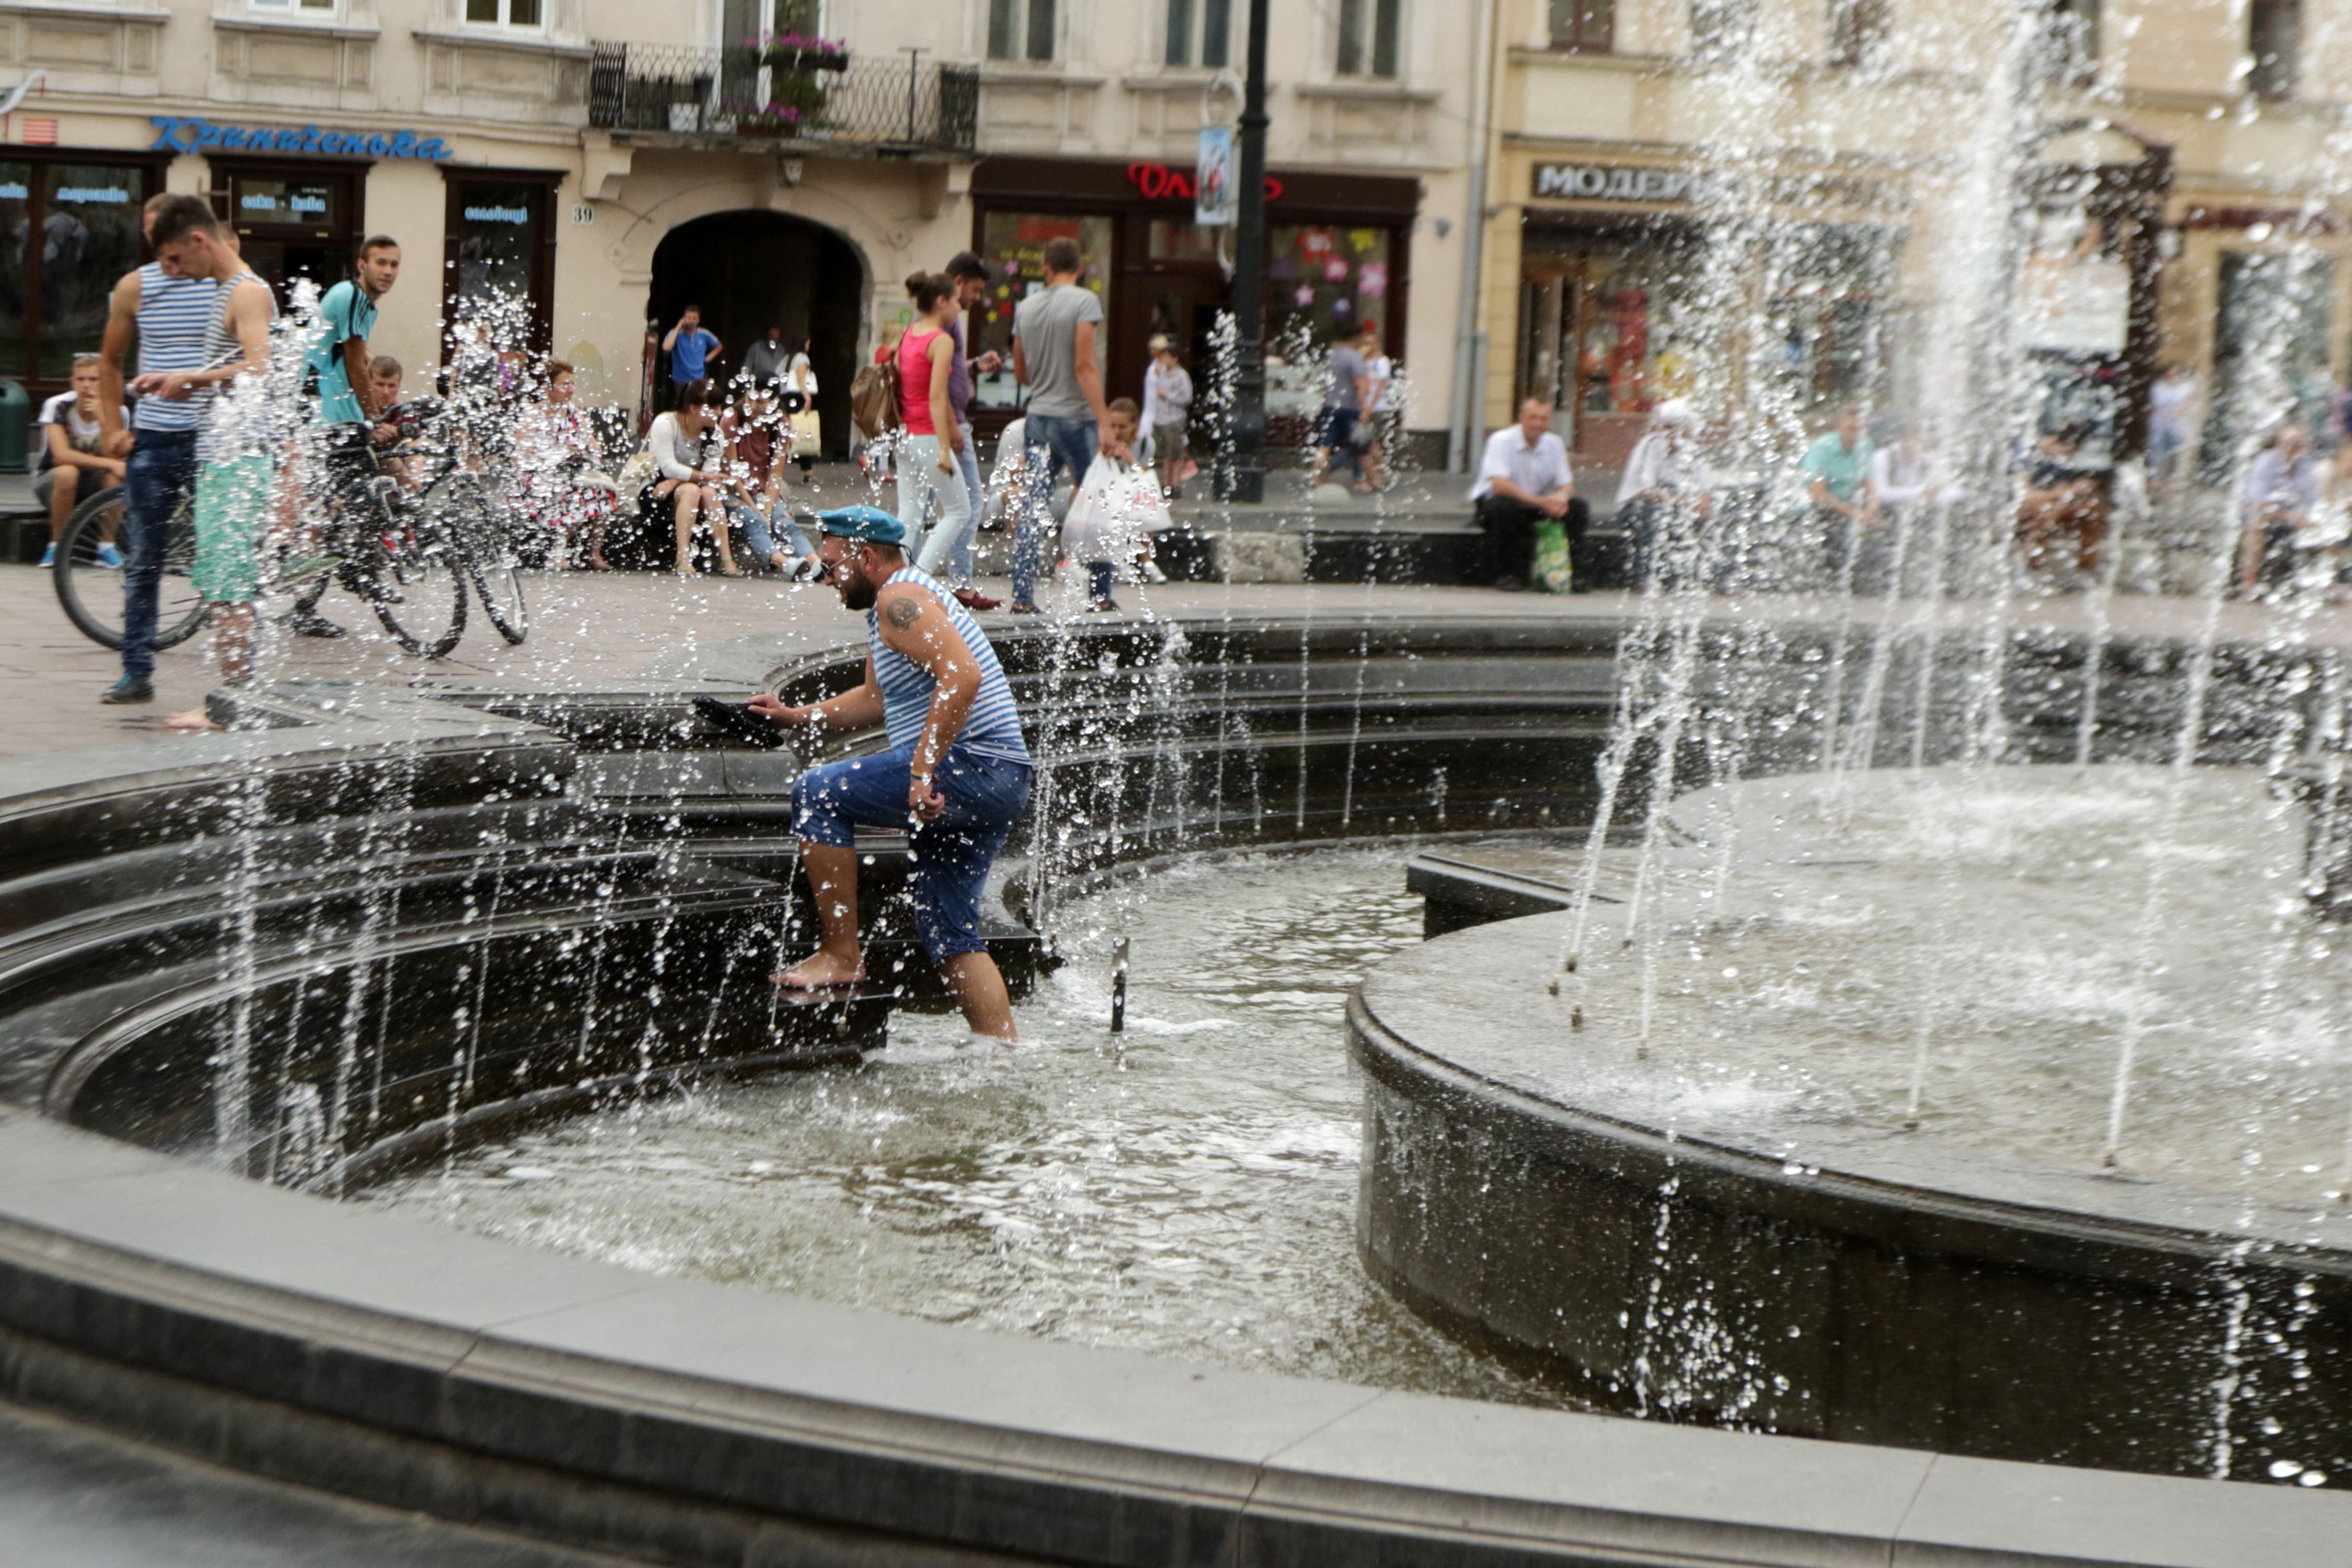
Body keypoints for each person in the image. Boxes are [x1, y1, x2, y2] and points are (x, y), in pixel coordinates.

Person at [753, 505, 1033, 1040]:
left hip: (973, 764)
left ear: (865, 556)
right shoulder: (904, 599)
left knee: (818, 792)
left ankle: (840, 954)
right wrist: (793, 716)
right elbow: (874, 699)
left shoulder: (898, 599)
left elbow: (963, 675)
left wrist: (922, 771)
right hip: (1002, 777)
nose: (830, 577)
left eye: (834, 564)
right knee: (949, 930)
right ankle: (1002, 1052)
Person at [136, 198, 275, 731]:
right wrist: (176, 379)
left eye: (174, 259)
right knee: (223, 584)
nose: (170, 272)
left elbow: (261, 369)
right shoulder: (228, 290)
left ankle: (230, 708)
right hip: (224, 455)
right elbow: (234, 366)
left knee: (230, 587)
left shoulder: (246, 291)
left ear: (199, 241)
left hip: (238, 459)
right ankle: (230, 701)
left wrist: (190, 380)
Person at [95, 196, 232, 703]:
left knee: (223, 557)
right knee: (145, 558)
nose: (164, 255)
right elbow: (110, 361)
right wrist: (114, 425)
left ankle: (236, 680)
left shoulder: (222, 281)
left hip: (211, 436)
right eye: (155, 243)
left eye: (168, 241)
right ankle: (137, 670)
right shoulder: (136, 286)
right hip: (152, 434)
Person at [294, 233, 402, 640]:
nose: (388, 271)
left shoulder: (358, 303)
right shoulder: (353, 297)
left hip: (330, 411)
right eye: (381, 263)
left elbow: (362, 358)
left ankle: (316, 596)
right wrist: (375, 419)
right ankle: (358, 572)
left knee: (335, 509)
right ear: (362, 265)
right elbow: (357, 367)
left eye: (394, 265)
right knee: (363, 489)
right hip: (320, 413)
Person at [1009, 236, 1121, 614]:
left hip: (1038, 417)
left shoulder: (1025, 307)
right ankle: (1100, 594)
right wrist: (1105, 420)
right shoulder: (1084, 301)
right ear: (1081, 268)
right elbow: (1084, 364)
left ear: (1045, 266)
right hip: (1077, 419)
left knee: (1033, 505)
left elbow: (1021, 372)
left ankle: (1023, 596)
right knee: (1096, 502)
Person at [939, 251, 1004, 608]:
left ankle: (918, 578)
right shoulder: (946, 317)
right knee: (968, 502)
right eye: (976, 291)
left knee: (936, 505)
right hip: (951, 424)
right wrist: (952, 425)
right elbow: (935, 377)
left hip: (947, 422)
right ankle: (959, 584)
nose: (977, 300)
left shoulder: (945, 317)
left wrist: (974, 365)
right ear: (959, 281)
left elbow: (946, 369)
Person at [1065, 398, 1167, 612]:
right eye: (1113, 426)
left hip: (1126, 499)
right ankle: (1101, 583)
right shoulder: (1098, 442)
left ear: (1135, 425)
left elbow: (1145, 480)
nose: (1117, 431)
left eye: (1123, 426)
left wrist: (1130, 458)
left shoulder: (1146, 444)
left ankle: (1139, 563)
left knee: (1137, 515)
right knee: (1104, 516)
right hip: (1100, 501)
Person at [1471, 399, 1584, 591]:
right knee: (1505, 510)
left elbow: (1566, 484)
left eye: (1544, 419)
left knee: (1579, 508)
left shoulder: (1554, 443)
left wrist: (1561, 498)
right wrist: (1542, 502)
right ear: (1521, 418)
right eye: (1533, 418)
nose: (1538, 424)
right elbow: (1500, 486)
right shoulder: (1501, 441)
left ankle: (1576, 575)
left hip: (1534, 503)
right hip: (1495, 503)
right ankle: (1508, 575)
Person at [516, 358, 616, 571]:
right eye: (565, 384)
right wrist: (556, 456)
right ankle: (558, 551)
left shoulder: (574, 414)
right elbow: (523, 453)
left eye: (572, 384)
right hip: (538, 479)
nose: (571, 390)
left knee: (601, 490)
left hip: (569, 474)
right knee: (576, 493)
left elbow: (595, 447)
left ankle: (594, 552)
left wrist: (583, 451)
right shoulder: (533, 414)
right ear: (547, 387)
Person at [36, 353, 129, 567]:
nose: (86, 386)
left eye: (93, 380)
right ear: (72, 382)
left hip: (94, 484)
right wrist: (111, 463)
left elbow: (116, 457)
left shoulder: (118, 411)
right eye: (81, 379)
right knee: (68, 472)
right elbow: (61, 455)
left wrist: (102, 419)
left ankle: (106, 548)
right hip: (54, 483)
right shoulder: (57, 406)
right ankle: (57, 547)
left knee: (116, 477)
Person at [642, 378, 740, 576]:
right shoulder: (666, 423)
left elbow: (710, 475)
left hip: (683, 485)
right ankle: (683, 557)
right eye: (713, 407)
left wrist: (677, 480)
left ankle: (726, 559)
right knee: (692, 490)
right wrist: (682, 479)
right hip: (657, 487)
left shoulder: (716, 433)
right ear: (695, 408)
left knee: (709, 493)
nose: (720, 413)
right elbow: (668, 467)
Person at [719, 382, 817, 578]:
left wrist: (768, 508)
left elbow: (775, 476)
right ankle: (785, 563)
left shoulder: (781, 425)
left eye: (761, 402)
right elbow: (732, 474)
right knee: (753, 519)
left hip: (763, 490)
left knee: (784, 521)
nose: (754, 407)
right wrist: (757, 510)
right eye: (750, 400)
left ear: (774, 402)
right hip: (733, 491)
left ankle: (817, 564)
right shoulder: (732, 420)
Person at [1612, 398, 1711, 589]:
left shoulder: (1692, 450)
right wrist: (1686, 502)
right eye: (1668, 428)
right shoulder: (1650, 445)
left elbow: (1706, 487)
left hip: (1675, 507)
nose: (1673, 434)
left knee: (1715, 515)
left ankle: (1709, 576)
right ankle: (1646, 575)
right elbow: (1646, 492)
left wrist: (1704, 504)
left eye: (1679, 428)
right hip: (1635, 507)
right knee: (1653, 511)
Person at [2238, 421, 2322, 594]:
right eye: (2290, 443)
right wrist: (2290, 517)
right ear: (2279, 444)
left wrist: (2313, 518)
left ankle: (2324, 586)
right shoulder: (2266, 461)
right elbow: (2257, 502)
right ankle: (2249, 584)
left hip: (2293, 520)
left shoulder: (2307, 465)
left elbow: (2315, 501)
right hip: (2267, 517)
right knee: (2256, 524)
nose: (2294, 449)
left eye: (2299, 444)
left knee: (2328, 528)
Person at [1800, 403, 1876, 583]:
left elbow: (1872, 487)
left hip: (1849, 506)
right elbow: (1819, 494)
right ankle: (1840, 574)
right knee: (1836, 525)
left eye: (1861, 428)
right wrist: (1857, 514)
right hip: (1820, 506)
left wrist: (1871, 511)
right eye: (1851, 428)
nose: (1856, 433)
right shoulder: (1823, 447)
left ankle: (1872, 573)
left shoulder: (1866, 445)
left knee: (1887, 525)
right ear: (1839, 426)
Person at [2015, 425, 2104, 578]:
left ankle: (2086, 567)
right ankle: (2036, 568)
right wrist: (2067, 492)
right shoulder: (2026, 456)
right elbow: (2026, 494)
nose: (2070, 455)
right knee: (2043, 507)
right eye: (2068, 450)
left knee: (2092, 508)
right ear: (2053, 441)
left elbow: (2066, 492)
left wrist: (2077, 491)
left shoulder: (2062, 465)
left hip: (2054, 511)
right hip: (2026, 513)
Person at [1307, 326, 1374, 492]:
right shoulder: (1355, 357)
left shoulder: (1331, 356)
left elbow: (1323, 383)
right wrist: (1365, 407)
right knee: (1361, 445)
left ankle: (1315, 477)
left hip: (1330, 406)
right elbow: (1360, 384)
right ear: (1356, 338)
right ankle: (1373, 480)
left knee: (1325, 445)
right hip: (1350, 408)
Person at [1142, 335, 1193, 502]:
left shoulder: (1181, 376)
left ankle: (1175, 484)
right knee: (1166, 454)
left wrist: (1168, 395)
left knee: (1176, 453)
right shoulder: (1161, 372)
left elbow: (1187, 398)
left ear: (1175, 358)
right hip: (1161, 418)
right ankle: (1166, 484)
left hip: (1174, 418)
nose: (1163, 360)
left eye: (1166, 357)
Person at [2148, 364, 2197, 493]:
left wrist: (2175, 411)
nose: (2174, 376)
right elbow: (2154, 404)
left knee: (2174, 453)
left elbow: (2187, 404)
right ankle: (2156, 478)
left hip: (2177, 425)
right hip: (2159, 424)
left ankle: (2170, 479)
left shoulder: (2185, 388)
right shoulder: (2159, 387)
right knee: (2157, 451)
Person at [663, 306, 721, 401]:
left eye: (694, 318)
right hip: (681, 378)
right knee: (683, 404)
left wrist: (708, 358)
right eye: (689, 318)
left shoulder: (704, 334)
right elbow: (666, 348)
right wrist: (678, 327)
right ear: (684, 319)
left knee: (699, 404)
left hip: (699, 377)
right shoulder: (676, 333)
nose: (691, 321)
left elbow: (719, 346)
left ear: (698, 320)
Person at [742, 324, 789, 390]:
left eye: (777, 339)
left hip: (775, 387)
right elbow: (746, 370)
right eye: (772, 338)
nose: (774, 342)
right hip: (758, 386)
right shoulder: (756, 348)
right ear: (767, 336)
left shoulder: (782, 351)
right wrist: (747, 389)